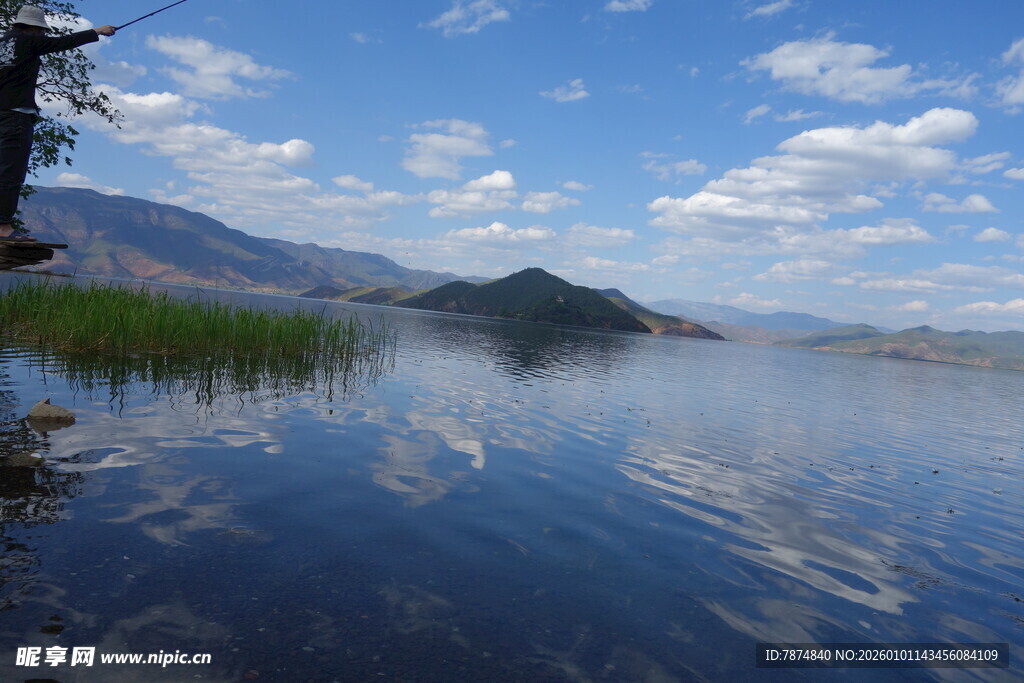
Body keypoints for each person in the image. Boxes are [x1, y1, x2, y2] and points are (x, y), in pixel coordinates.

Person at [0, 5, 115, 242]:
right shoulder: (28, 41)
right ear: (33, 27)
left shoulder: (3, 43)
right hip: (14, 116)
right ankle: (2, 228)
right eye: (41, 31)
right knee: (10, 173)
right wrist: (97, 31)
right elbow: (62, 42)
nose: (43, 35)